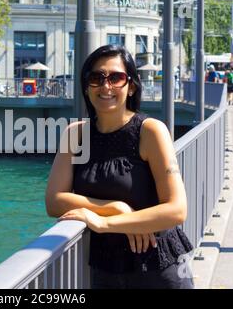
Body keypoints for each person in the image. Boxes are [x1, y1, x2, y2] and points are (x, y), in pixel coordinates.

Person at [45, 45, 194, 289]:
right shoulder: (76, 135)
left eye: (116, 77)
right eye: (96, 78)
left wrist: (104, 223)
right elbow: (54, 201)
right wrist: (115, 208)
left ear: (131, 85)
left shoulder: (150, 131)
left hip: (159, 267)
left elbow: (176, 209)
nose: (106, 86)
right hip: (107, 270)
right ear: (86, 86)